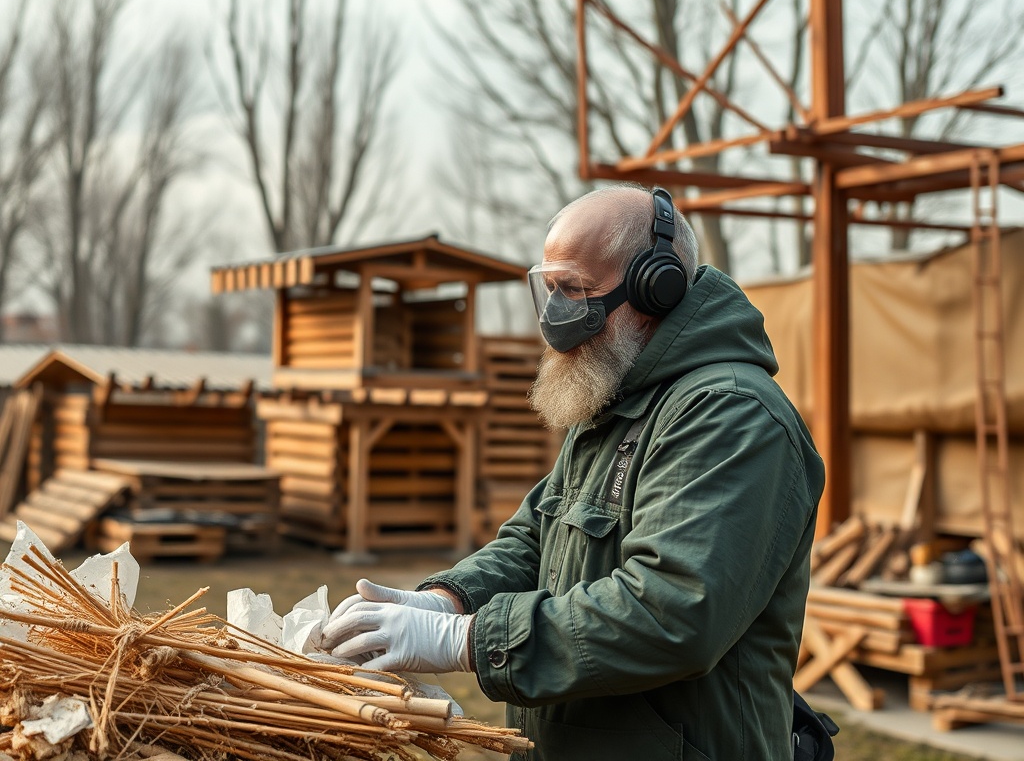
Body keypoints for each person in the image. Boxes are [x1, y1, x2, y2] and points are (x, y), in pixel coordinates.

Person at [321, 184, 825, 760]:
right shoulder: (617, 398)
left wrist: (465, 642)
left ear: (656, 289)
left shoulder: (728, 415)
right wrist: (446, 602)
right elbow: (534, 541)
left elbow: (673, 610)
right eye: (549, 288)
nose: (556, 315)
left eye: (575, 290)